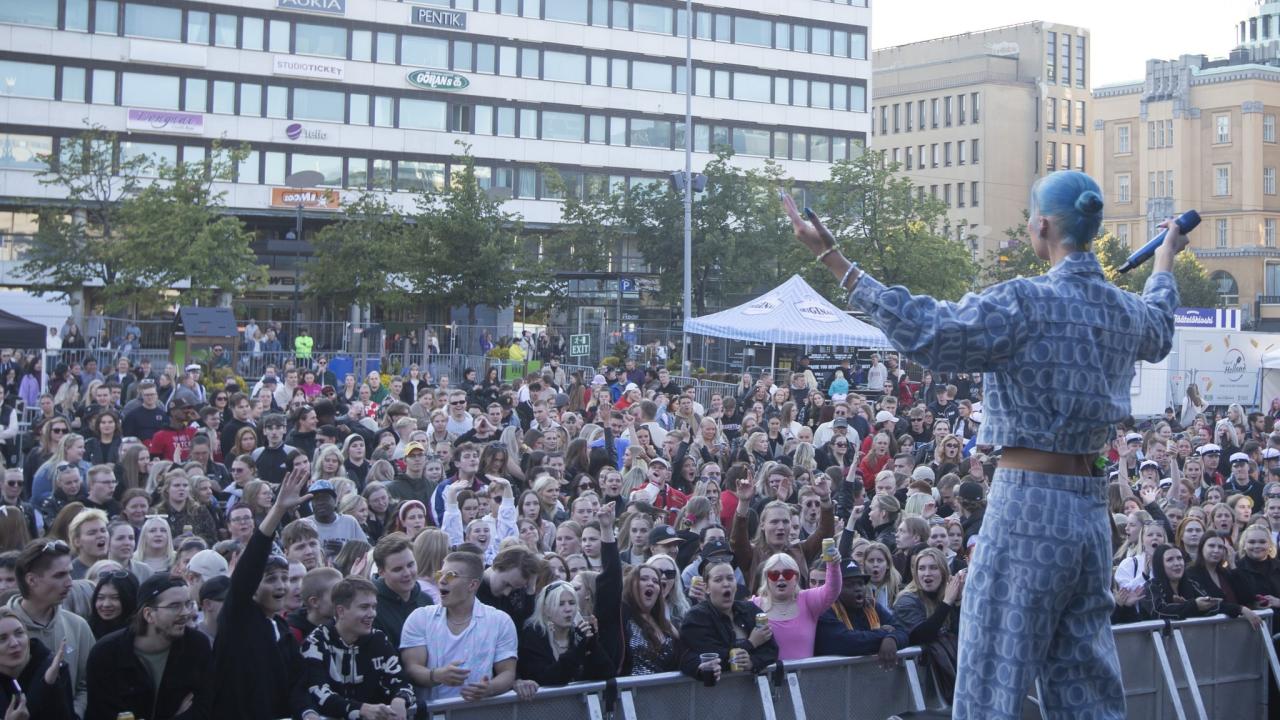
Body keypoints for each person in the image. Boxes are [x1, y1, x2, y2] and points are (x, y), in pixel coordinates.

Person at [786, 170, 1184, 719]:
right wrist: (1165, 259)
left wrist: (836, 259)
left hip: (1027, 509)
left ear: (1041, 227)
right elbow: (1162, 326)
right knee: (1086, 684)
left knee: (992, 676)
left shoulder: (1022, 301)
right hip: (1092, 515)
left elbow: (928, 330)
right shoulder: (1123, 310)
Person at [210, 468, 311, 720]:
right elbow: (251, 563)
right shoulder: (239, 618)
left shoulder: (283, 630)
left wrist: (306, 712)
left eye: (284, 579)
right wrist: (277, 511)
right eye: (271, 579)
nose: (281, 586)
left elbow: (296, 683)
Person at [399, 551, 527, 705]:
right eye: (440, 574)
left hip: (478, 713)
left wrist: (489, 688)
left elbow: (507, 672)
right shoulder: (420, 618)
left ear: (472, 585)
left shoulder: (500, 621)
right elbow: (411, 668)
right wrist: (436, 675)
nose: (442, 581)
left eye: (451, 575)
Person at [85, 574, 213, 720]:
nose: (186, 612)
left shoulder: (196, 646)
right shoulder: (106, 654)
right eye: (174, 606)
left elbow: (203, 708)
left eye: (188, 604)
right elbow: (101, 714)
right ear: (148, 614)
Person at [298, 576, 416, 720]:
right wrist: (361, 709)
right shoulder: (316, 643)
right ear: (341, 611)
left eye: (374, 607)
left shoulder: (378, 639)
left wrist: (400, 699)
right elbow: (319, 694)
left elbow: (401, 681)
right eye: (364, 607)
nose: (372, 614)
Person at [5, 538, 94, 716]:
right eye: (59, 575)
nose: (70, 582)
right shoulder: (4, 628)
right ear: (31, 579)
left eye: (70, 573)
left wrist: (72, 713)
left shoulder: (78, 626)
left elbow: (88, 682)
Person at [678, 556, 779, 679]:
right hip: (713, 694)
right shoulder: (696, 618)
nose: (726, 584)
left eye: (730, 578)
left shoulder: (751, 610)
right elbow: (715, 657)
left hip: (751, 692)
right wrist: (751, 643)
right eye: (718, 580)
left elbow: (771, 651)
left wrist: (752, 662)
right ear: (707, 588)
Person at [814, 559, 909, 667]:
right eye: (849, 585)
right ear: (836, 589)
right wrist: (885, 633)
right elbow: (848, 643)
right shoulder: (825, 611)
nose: (858, 589)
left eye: (860, 584)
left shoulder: (872, 606)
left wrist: (893, 639)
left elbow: (903, 631)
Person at [516, 579, 612, 685]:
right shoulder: (534, 634)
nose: (568, 609)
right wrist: (578, 649)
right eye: (560, 604)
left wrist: (592, 643)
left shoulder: (577, 633)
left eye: (572, 603)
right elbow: (548, 678)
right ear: (546, 610)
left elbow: (607, 673)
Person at [0, 606, 74, 720]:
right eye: (2, 639)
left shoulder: (54, 669)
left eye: (19, 633)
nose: (14, 643)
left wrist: (49, 686)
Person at [372, 533, 432, 649]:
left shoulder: (426, 601)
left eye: (410, 565)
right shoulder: (372, 607)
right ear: (381, 572)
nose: (407, 573)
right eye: (397, 569)